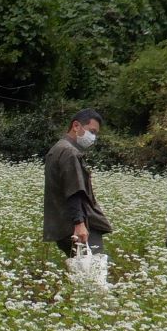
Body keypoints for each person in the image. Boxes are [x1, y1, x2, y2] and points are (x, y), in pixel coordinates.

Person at [43, 108, 113, 259]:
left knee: (79, 270)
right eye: (92, 131)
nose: (93, 137)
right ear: (76, 126)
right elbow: (74, 192)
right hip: (78, 227)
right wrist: (79, 224)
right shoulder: (70, 152)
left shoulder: (57, 149)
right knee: (94, 271)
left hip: (61, 226)